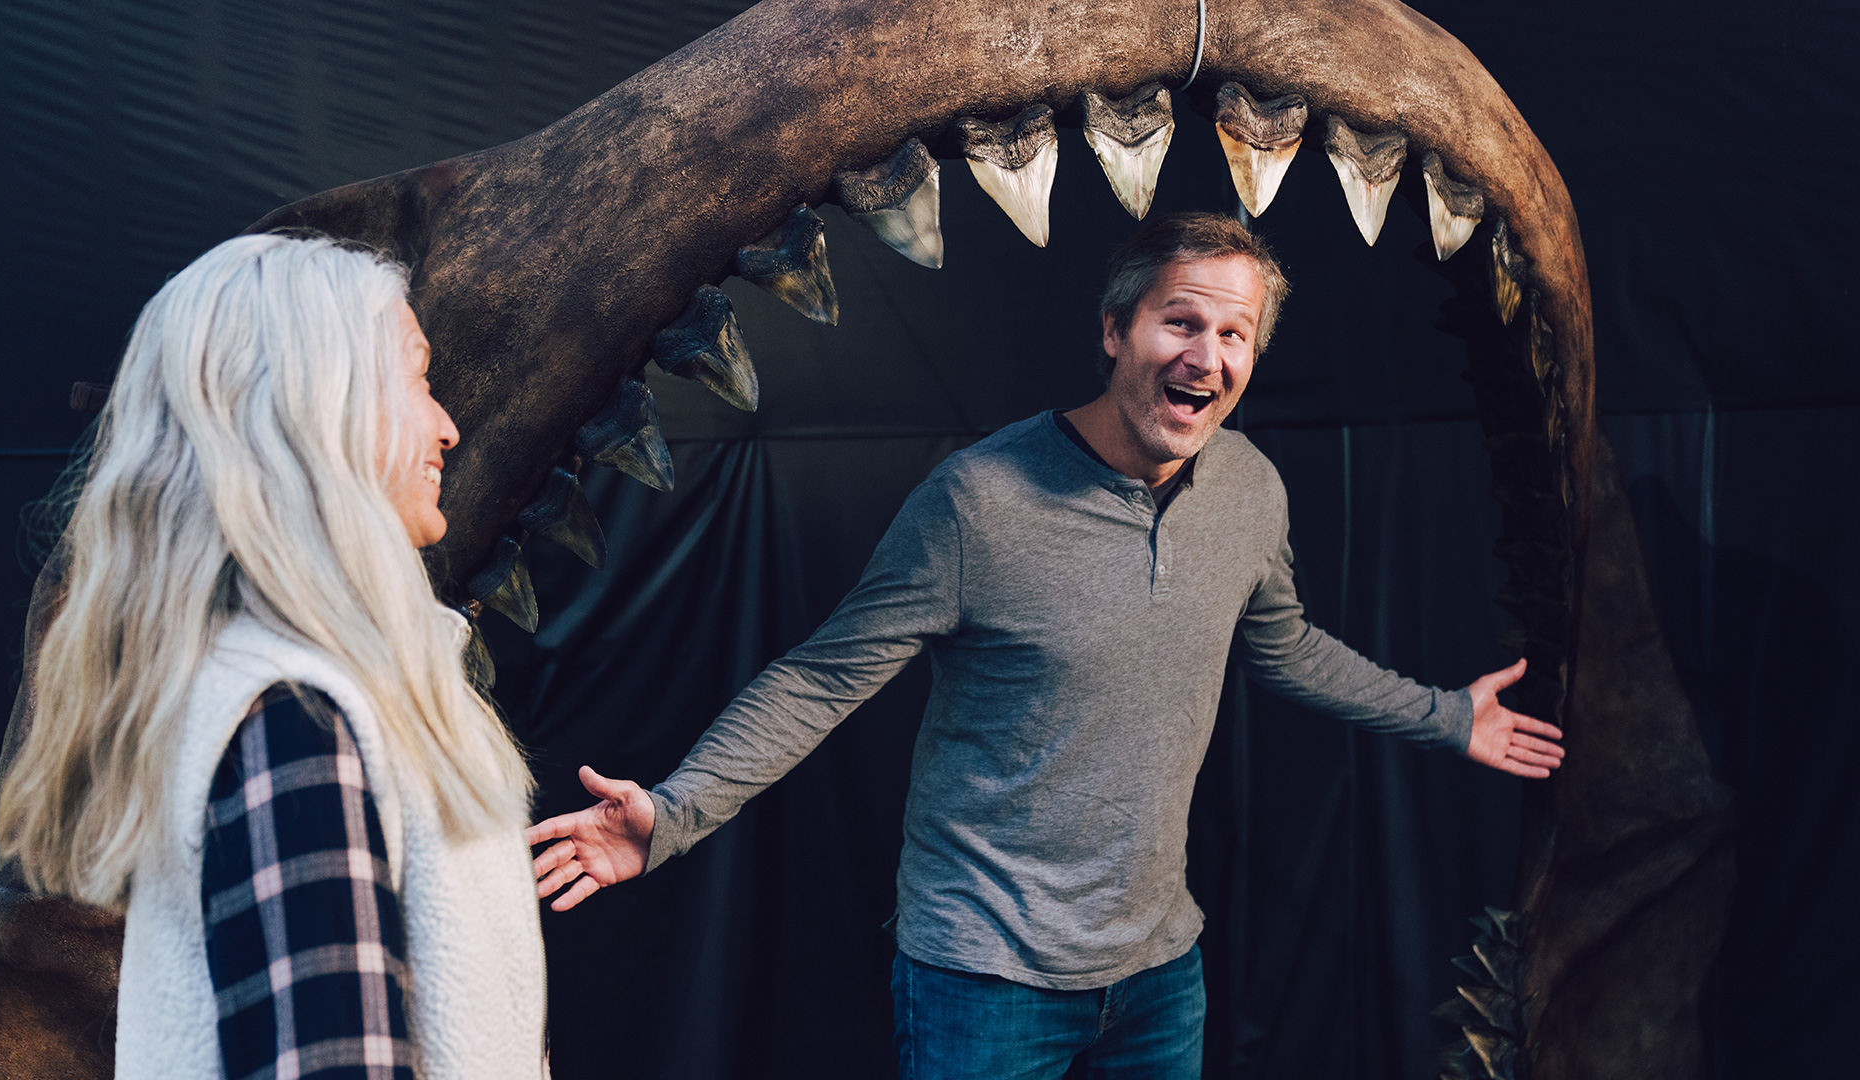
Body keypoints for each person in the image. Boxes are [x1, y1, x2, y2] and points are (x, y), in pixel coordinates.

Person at [525, 212, 1565, 1079]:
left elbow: (1283, 647)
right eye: (1180, 321)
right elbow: (821, 678)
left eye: (1235, 334)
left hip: (1160, 975)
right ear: (1116, 331)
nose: (1207, 356)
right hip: (984, 979)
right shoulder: (978, 503)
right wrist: (673, 814)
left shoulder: (1248, 488)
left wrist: (1445, 716)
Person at [0, 234, 547, 1080]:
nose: (447, 425)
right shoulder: (292, 713)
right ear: (314, 406)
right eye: (417, 378)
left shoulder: (319, 694)